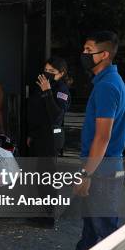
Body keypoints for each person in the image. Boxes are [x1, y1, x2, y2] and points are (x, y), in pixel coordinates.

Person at [58, 31, 125, 250]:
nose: (84, 54)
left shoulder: (108, 86)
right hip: (100, 165)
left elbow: (103, 137)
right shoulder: (105, 82)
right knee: (91, 222)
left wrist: (87, 175)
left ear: (104, 55)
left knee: (105, 227)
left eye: (89, 50)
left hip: (103, 170)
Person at [26, 56, 72, 228]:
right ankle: (42, 213)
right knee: (40, 177)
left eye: (52, 72)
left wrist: (47, 92)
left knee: (48, 178)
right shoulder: (42, 86)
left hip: (51, 139)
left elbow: (56, 116)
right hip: (38, 137)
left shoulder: (61, 90)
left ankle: (49, 217)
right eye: (46, 70)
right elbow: (36, 112)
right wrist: (31, 133)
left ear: (61, 74)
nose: (47, 74)